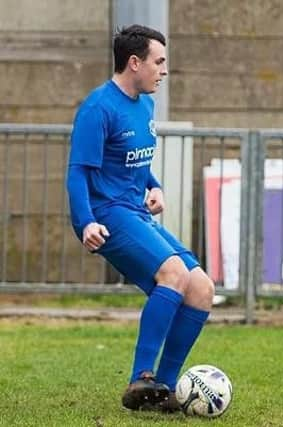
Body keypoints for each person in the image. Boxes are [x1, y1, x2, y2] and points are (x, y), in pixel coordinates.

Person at [66, 24, 214, 412]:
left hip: (135, 210)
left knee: (201, 288)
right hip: (106, 214)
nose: (164, 70)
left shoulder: (146, 104)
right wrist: (85, 223)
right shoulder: (98, 108)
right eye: (159, 61)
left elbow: (136, 161)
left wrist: (155, 185)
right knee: (174, 275)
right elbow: (78, 172)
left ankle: (162, 391)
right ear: (135, 63)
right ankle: (141, 378)